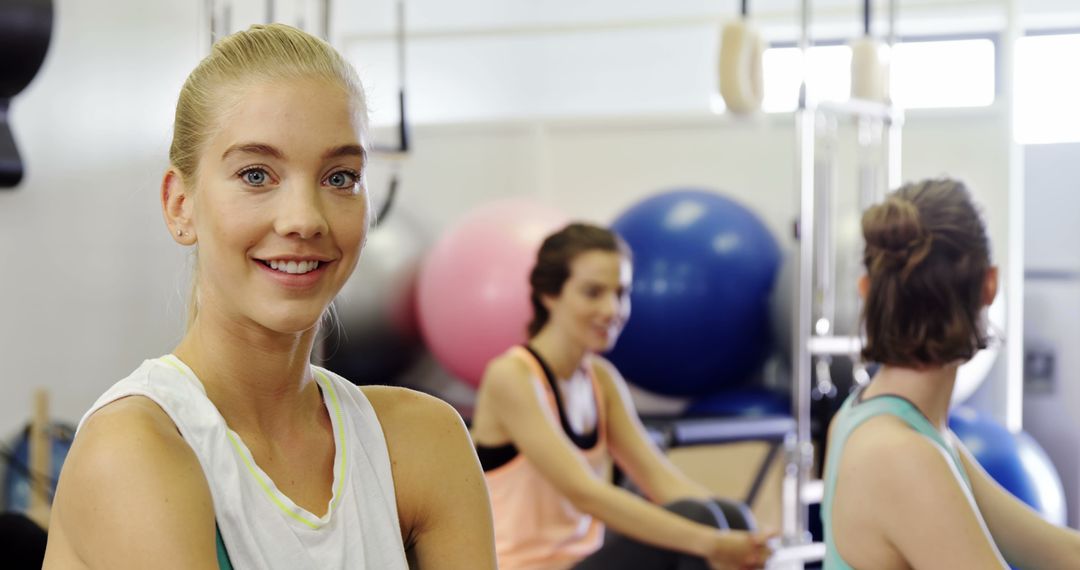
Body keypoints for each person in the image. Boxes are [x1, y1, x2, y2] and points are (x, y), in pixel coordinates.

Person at [42, 24, 495, 570]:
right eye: (257, 174)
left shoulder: (425, 440)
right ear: (180, 205)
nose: (304, 219)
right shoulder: (135, 448)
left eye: (341, 177)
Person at [469, 222, 774, 570]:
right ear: (549, 295)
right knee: (699, 522)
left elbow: (660, 480)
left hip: (585, 560)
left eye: (621, 293)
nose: (612, 310)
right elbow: (585, 493)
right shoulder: (513, 376)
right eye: (593, 292)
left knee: (726, 514)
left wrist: (743, 535)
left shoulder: (601, 379)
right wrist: (713, 543)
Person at [822, 178, 1080, 568]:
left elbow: (1060, 552)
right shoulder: (903, 455)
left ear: (866, 290)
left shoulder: (890, 423)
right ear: (989, 287)